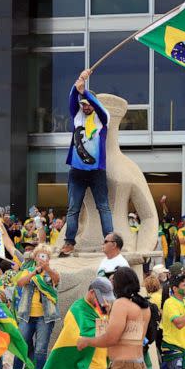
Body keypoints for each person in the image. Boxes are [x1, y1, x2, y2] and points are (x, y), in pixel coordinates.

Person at [59, 69, 113, 257]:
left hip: (96, 170)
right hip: (77, 171)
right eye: (83, 104)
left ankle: (110, 241)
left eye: (88, 103)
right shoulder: (77, 116)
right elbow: (72, 97)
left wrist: (86, 92)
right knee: (73, 208)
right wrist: (80, 81)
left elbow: (99, 107)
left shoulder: (102, 118)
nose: (85, 106)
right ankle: (69, 242)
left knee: (103, 207)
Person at [76, 267, 151, 369]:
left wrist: (86, 341)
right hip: (138, 367)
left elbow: (111, 339)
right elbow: (129, 337)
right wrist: (110, 313)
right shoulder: (143, 306)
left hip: (123, 368)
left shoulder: (121, 304)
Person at [40, 277, 116, 369]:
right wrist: (111, 321)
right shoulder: (78, 309)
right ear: (92, 292)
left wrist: (108, 315)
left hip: (102, 368)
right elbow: (90, 333)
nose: (105, 301)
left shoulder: (101, 309)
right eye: (102, 297)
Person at [14, 244, 60, 369]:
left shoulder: (52, 271)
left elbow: (57, 279)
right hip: (26, 315)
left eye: (45, 256)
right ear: (35, 257)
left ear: (49, 258)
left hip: (45, 316)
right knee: (22, 345)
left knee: (41, 348)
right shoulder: (27, 271)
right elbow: (20, 283)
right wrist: (35, 272)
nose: (42, 258)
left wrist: (47, 269)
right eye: (40, 255)